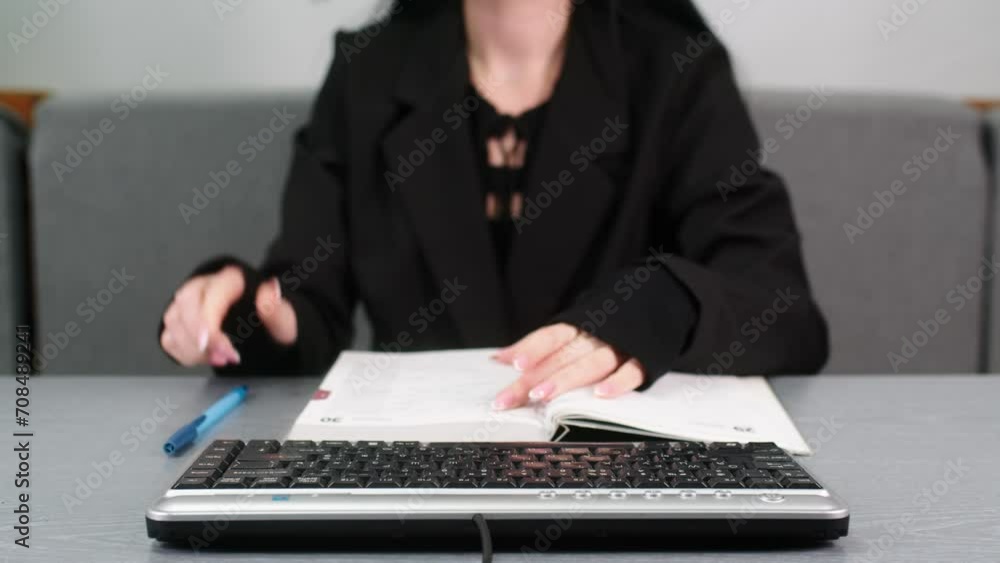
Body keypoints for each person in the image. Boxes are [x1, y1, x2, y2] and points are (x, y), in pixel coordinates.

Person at [159, 0, 829, 411]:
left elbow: (782, 304)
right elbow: (304, 300)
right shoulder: (368, 72)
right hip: (416, 484)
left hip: (615, 477)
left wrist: (662, 305)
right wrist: (242, 314)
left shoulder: (674, 69)